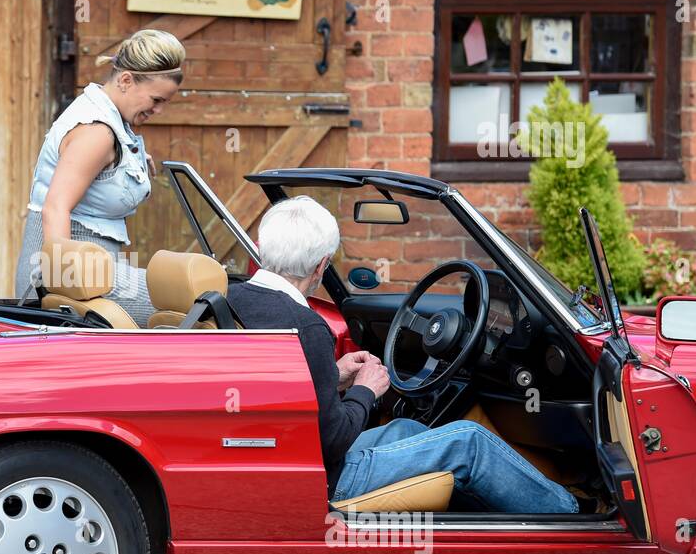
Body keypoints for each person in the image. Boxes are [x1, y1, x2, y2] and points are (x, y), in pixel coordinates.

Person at [227, 196, 580, 514]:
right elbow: (332, 441)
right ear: (321, 266)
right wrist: (365, 389)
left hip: (288, 456)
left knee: (407, 428)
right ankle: (571, 513)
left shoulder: (235, 300)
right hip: (328, 477)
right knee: (469, 441)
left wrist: (332, 376)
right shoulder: (305, 325)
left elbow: (279, 392)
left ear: (261, 249)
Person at [14, 29, 186, 326]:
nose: (159, 110)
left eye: (165, 102)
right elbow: (55, 207)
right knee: (190, 303)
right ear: (126, 80)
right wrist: (63, 280)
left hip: (92, 269)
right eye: (156, 99)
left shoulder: (108, 120)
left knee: (185, 295)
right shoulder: (97, 131)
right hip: (70, 274)